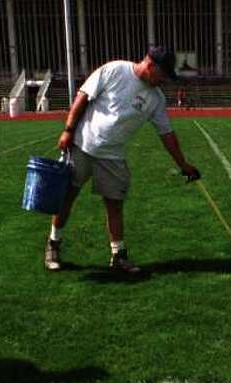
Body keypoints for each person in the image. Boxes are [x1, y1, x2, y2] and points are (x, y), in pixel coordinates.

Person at [44, 46, 200, 273]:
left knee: (114, 205)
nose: (164, 80)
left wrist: (183, 165)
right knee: (68, 197)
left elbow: (166, 133)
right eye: (163, 74)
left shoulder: (156, 98)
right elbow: (83, 96)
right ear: (150, 65)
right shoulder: (115, 70)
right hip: (83, 145)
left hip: (113, 156)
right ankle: (53, 245)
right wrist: (68, 130)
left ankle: (118, 256)